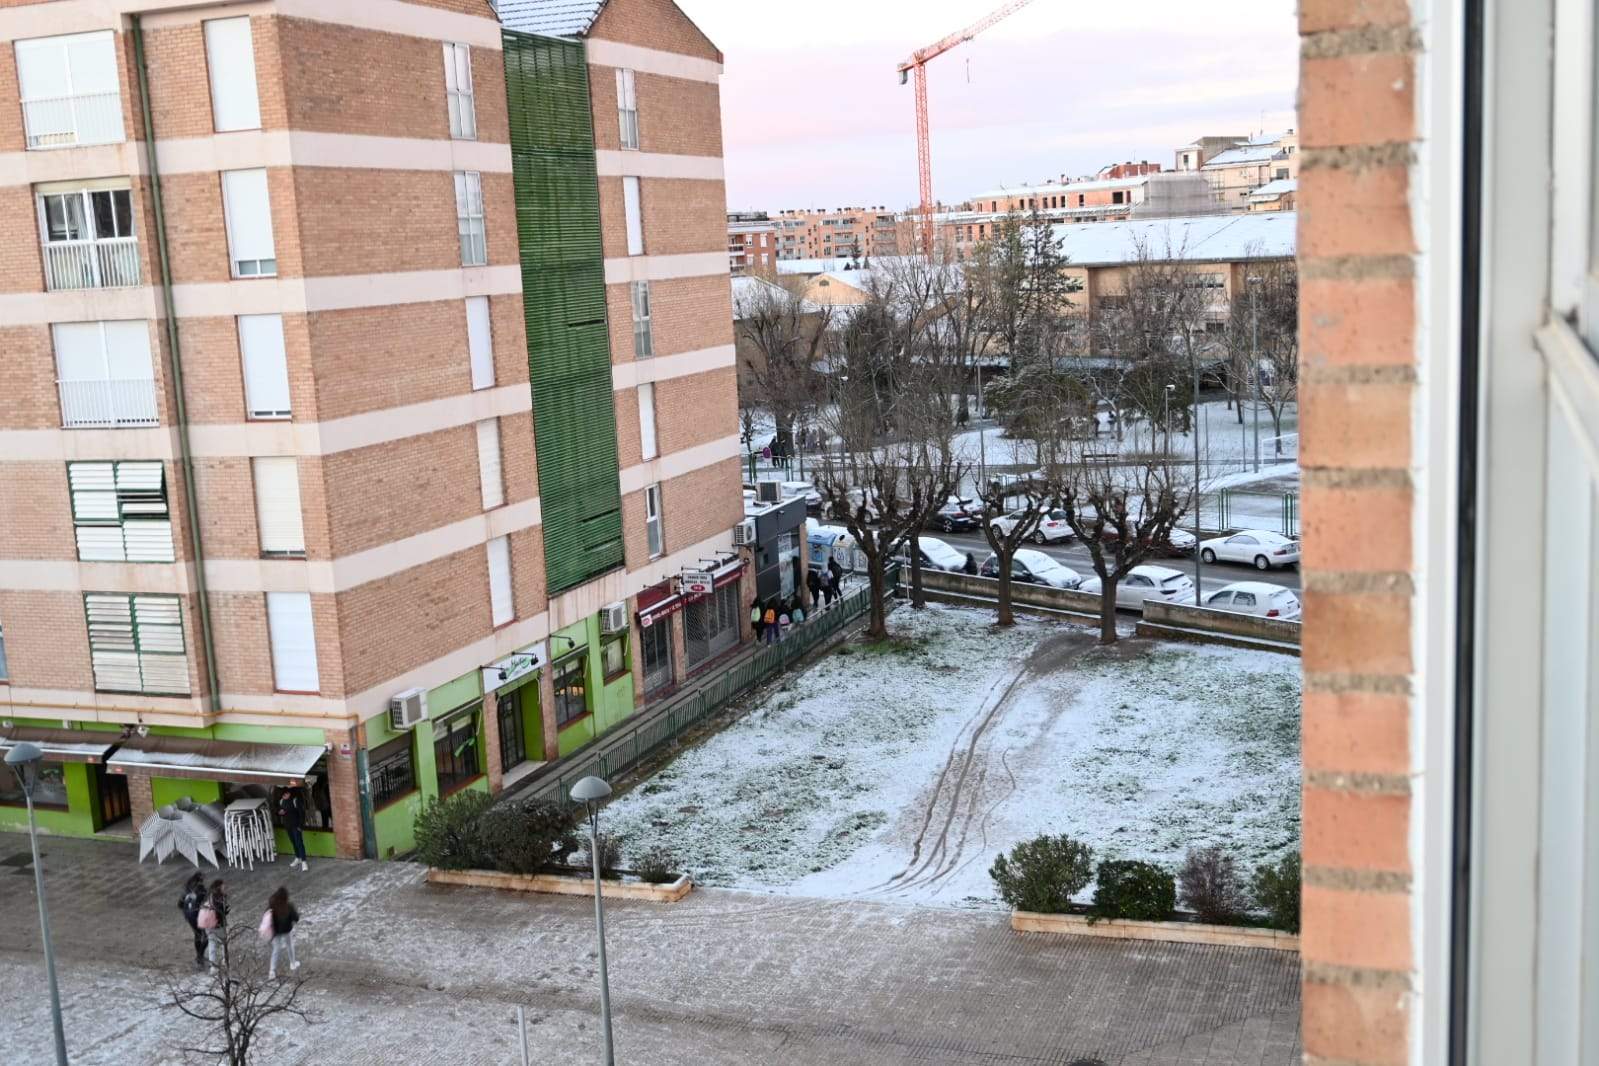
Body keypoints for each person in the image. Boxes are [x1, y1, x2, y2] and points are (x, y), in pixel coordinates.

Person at [265, 886, 301, 980]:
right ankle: (293, 963)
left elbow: (267, 915)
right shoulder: (288, 905)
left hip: (275, 931)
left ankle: (272, 971)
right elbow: (296, 918)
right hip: (286, 930)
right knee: (289, 945)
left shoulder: (272, 905)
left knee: (276, 949)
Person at [179, 871, 207, 968]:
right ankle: (200, 957)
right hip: (196, 915)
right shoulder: (202, 890)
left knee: (197, 935)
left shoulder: (187, 889)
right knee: (206, 937)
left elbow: (179, 904)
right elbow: (204, 902)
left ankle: (199, 956)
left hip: (188, 916)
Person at [201, 879, 229, 971]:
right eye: (223, 886)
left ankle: (213, 967)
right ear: (219, 887)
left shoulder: (209, 895)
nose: (225, 888)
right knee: (223, 944)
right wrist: (225, 911)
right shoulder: (219, 897)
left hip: (207, 923)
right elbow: (219, 911)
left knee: (212, 943)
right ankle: (225, 963)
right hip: (218, 924)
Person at [278, 787, 308, 871]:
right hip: (288, 826)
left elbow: (302, 814)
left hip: (296, 826)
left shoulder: (295, 800)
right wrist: (280, 813)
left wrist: (300, 826)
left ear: (289, 793)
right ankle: (297, 858)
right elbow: (280, 811)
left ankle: (304, 861)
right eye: (283, 795)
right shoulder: (281, 801)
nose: (284, 796)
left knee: (299, 843)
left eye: (286, 794)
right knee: (293, 842)